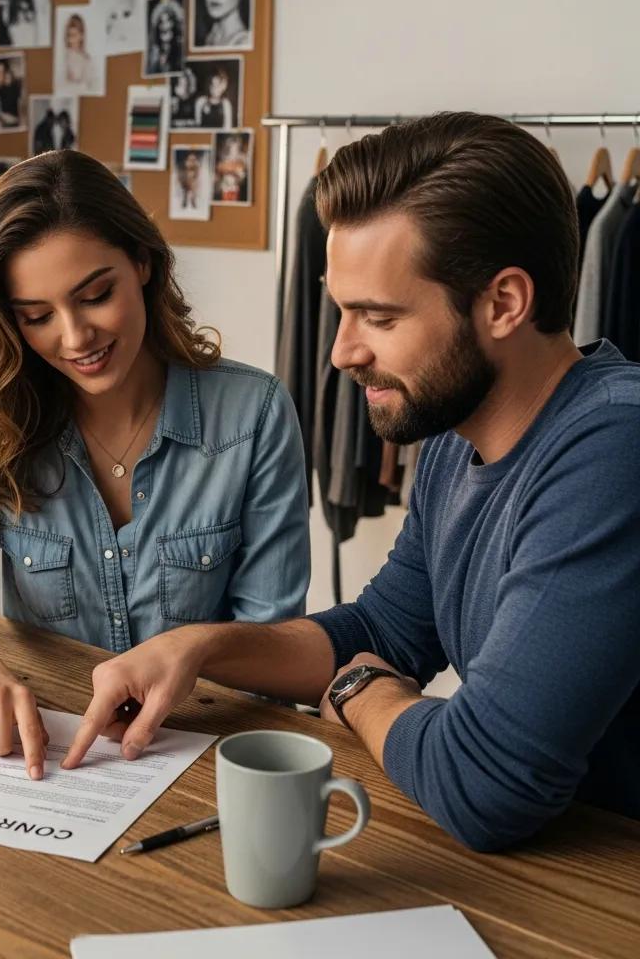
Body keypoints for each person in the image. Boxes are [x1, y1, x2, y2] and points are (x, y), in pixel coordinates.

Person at [62, 113, 640, 852]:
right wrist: (199, 648)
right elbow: (384, 632)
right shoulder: (452, 438)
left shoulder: (613, 446)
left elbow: (486, 783)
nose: (340, 352)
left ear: (504, 304)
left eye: (377, 317)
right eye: (341, 311)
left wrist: (359, 691)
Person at [0, 150, 311, 781]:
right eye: (37, 317)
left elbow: (277, 644)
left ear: (144, 263)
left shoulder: (254, 414)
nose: (75, 338)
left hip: (211, 757)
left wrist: (190, 660)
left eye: (96, 295)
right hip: (52, 765)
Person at [146, 0, 185, 75]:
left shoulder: (180, 49)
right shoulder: (155, 51)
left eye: (168, 21)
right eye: (161, 22)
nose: (164, 26)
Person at [62, 14, 96, 93]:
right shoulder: (65, 55)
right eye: (68, 35)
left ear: (81, 36)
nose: (70, 40)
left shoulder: (86, 60)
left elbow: (87, 87)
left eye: (74, 35)